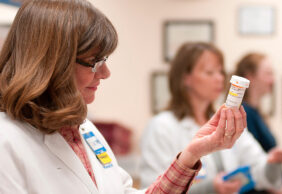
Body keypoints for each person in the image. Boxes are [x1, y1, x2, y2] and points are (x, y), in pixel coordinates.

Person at [0, 0, 247, 193]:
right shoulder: (7, 142)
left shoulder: (82, 129)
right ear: (51, 63)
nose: (105, 73)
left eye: (104, 60)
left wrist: (192, 155)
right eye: (94, 62)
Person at [139, 42, 282, 194]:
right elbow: (154, 189)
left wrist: (272, 163)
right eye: (210, 72)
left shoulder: (225, 119)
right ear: (186, 78)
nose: (219, 78)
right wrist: (209, 189)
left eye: (220, 72)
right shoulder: (161, 127)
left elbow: (258, 168)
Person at [234, 52, 282, 194]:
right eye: (268, 74)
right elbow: (247, 166)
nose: (273, 80)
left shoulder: (256, 113)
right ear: (249, 77)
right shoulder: (243, 115)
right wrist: (279, 190)